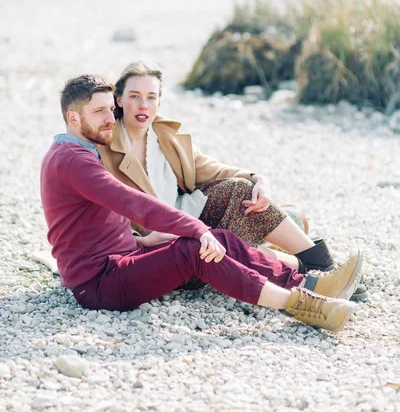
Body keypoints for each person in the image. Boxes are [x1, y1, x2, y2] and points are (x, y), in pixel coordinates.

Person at [40, 74, 364, 332]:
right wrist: (194, 228)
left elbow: (100, 222)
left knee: (218, 240)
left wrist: (143, 240)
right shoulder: (73, 160)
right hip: (98, 284)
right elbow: (132, 202)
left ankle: (312, 282)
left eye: (110, 109)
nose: (110, 118)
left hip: (123, 259)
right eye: (99, 112)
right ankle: (298, 303)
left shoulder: (80, 154)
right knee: (197, 249)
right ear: (73, 117)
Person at [99, 60, 367, 300]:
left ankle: (324, 266)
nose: (143, 105)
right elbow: (98, 214)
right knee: (230, 243)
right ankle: (315, 274)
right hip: (159, 244)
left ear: (160, 101)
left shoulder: (165, 136)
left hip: (188, 220)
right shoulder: (104, 148)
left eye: (151, 97)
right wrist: (140, 239)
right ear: (119, 100)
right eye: (134, 96)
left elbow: (213, 170)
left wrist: (257, 179)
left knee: (241, 191)